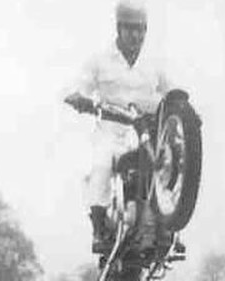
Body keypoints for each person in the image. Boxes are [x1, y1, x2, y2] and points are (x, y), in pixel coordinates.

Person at [64, 0, 171, 253]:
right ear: (119, 28)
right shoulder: (100, 60)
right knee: (100, 164)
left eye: (140, 29)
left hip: (145, 131)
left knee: (165, 162)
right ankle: (99, 227)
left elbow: (171, 91)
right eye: (130, 28)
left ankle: (167, 226)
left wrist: (185, 111)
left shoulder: (154, 63)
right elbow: (81, 85)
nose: (135, 35)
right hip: (111, 130)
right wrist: (78, 97)